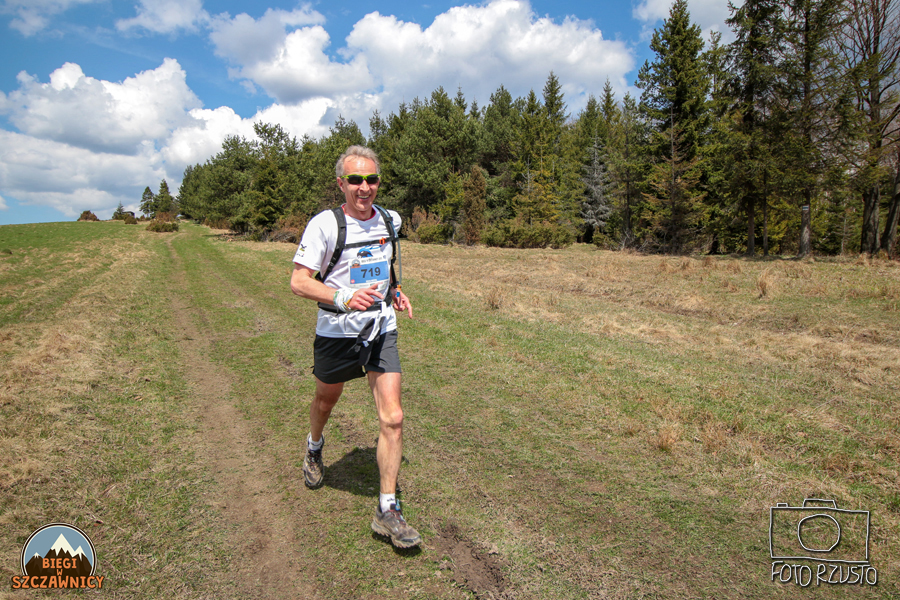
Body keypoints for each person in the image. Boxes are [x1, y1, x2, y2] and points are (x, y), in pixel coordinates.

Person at [289, 145, 420, 549]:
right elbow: (298, 281)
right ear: (341, 184)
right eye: (355, 180)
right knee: (326, 401)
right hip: (337, 331)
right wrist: (343, 297)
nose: (364, 187)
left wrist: (393, 290)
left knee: (393, 418)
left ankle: (387, 510)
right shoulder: (325, 226)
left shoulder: (389, 220)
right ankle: (314, 447)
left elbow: (383, 265)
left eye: (371, 179)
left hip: (380, 328)